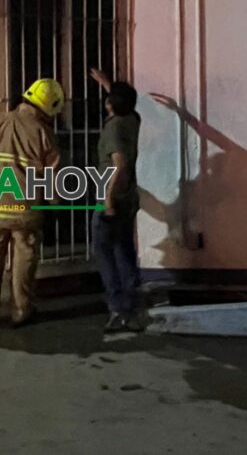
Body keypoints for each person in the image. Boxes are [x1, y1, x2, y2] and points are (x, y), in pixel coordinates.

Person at [0, 79, 64, 327]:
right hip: (27, 209)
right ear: (49, 107)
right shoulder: (44, 132)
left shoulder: (1, 120)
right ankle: (21, 311)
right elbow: (52, 176)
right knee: (24, 259)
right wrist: (54, 204)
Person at [90, 68, 142, 332]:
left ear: (110, 104)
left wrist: (107, 200)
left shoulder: (113, 128)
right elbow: (124, 103)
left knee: (106, 253)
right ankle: (131, 305)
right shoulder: (133, 119)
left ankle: (118, 309)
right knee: (124, 250)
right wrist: (108, 85)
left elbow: (118, 166)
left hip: (112, 199)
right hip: (129, 197)